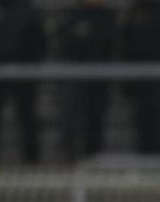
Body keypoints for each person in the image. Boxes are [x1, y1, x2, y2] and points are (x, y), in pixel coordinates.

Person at [0, 0, 46, 164]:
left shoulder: (28, 10)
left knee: (27, 117)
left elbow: (39, 40)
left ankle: (32, 161)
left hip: (23, 73)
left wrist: (30, 65)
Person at [56, 0, 117, 161]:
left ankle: (94, 156)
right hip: (75, 76)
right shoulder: (72, 16)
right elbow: (65, 43)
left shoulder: (107, 17)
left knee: (95, 119)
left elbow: (109, 45)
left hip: (98, 78)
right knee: (72, 118)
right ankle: (70, 157)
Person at [120, 0, 160, 154]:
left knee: (159, 119)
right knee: (141, 118)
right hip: (139, 74)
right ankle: (144, 152)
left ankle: (159, 155)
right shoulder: (134, 10)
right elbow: (127, 41)